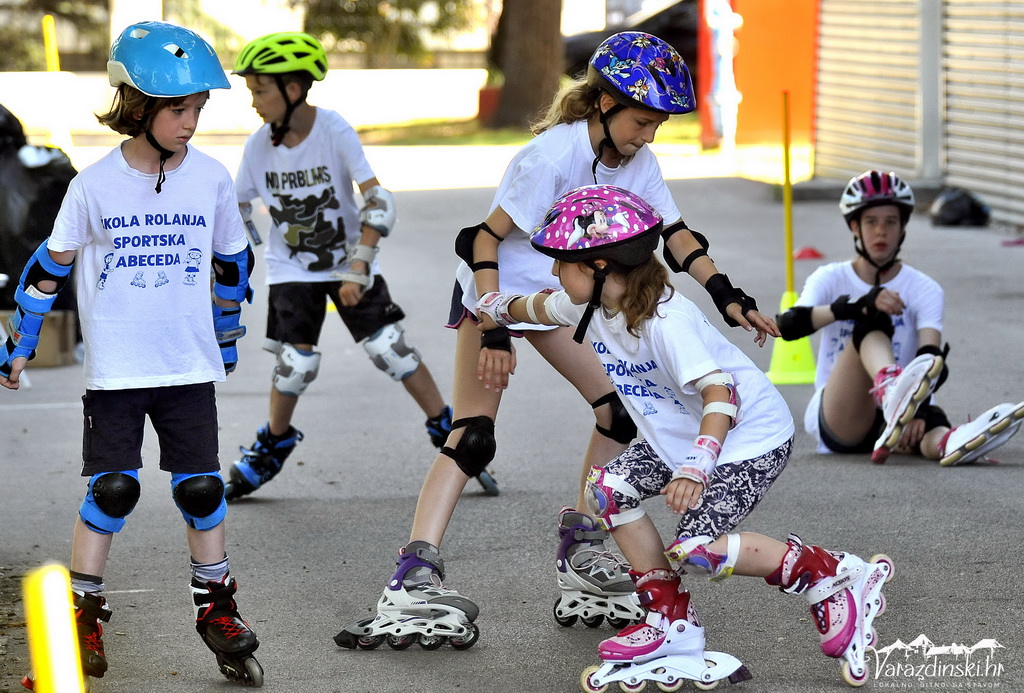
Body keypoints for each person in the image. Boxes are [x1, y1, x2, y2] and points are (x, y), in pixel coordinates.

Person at [334, 31, 781, 652]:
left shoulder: (635, 159)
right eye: (643, 121)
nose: (649, 136)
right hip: (499, 292)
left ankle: (581, 550)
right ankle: (412, 576)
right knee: (474, 434)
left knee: (618, 414)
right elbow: (479, 241)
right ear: (603, 104)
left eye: (657, 125)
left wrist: (730, 296)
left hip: (565, 297)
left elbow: (675, 234)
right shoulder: (550, 157)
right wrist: (492, 326)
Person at [476, 184, 893, 688]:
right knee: (607, 490)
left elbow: (721, 396)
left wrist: (696, 467)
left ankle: (827, 572)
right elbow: (538, 307)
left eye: (561, 261)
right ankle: (669, 619)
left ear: (599, 266)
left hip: (745, 438)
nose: (553, 271)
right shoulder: (592, 306)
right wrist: (494, 307)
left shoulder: (665, 322)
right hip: (678, 436)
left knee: (698, 550)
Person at [0, 21, 263, 687]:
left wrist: (226, 337)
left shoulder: (208, 178)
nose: (193, 120)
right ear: (137, 106)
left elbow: (232, 264)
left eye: (200, 107)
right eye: (180, 108)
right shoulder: (93, 186)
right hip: (118, 370)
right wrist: (20, 344)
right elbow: (47, 268)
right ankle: (80, 617)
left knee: (202, 489)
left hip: (187, 368)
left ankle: (218, 608)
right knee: (111, 489)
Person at [225, 32, 463, 501]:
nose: (253, 102)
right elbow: (236, 207)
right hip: (292, 269)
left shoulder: (333, 131)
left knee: (390, 349)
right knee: (294, 364)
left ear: (293, 90)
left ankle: (450, 430)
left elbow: (377, 201)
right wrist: (240, 254)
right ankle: (273, 443)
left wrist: (359, 264)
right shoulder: (258, 147)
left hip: (349, 259)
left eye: (260, 90)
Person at [777, 170, 1024, 465]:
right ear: (855, 226)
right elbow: (787, 325)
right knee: (872, 318)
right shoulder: (830, 277)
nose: (881, 231)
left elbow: (931, 357)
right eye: (871, 222)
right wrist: (855, 306)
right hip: (844, 415)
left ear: (903, 227)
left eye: (890, 222)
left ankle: (950, 441)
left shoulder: (925, 288)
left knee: (930, 423)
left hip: (901, 420)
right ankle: (892, 388)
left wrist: (917, 410)